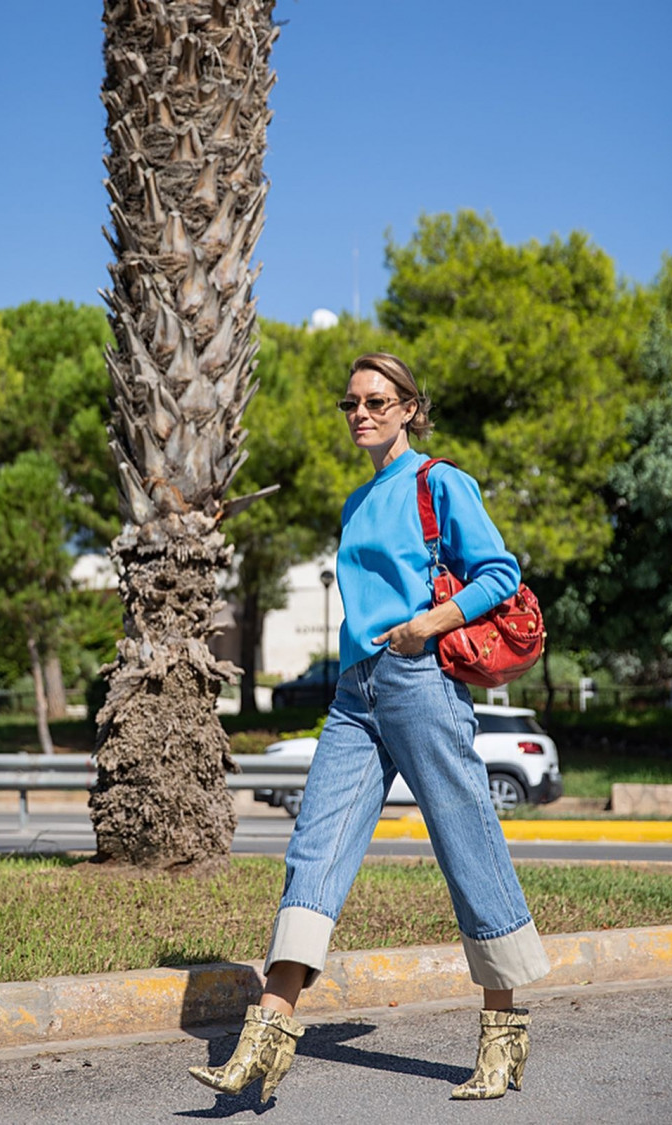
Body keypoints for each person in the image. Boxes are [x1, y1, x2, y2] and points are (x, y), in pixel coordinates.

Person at [189, 352, 551, 1103]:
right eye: (350, 402)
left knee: (467, 842)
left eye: (378, 401)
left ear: (410, 408)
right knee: (314, 846)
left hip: (421, 679)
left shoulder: (439, 481)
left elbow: (499, 574)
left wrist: (429, 624)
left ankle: (503, 1033)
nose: (361, 413)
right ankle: (267, 1035)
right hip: (355, 690)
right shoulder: (357, 502)